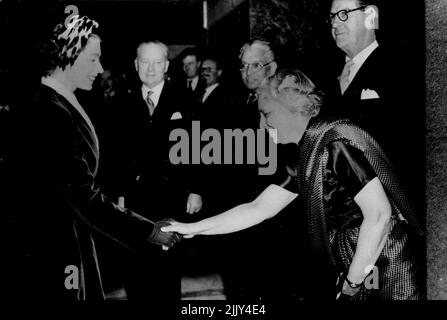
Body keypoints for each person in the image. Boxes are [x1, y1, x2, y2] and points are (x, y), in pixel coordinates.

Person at [162, 69, 424, 300]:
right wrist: (193, 228)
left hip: (388, 259)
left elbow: (379, 215)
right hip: (355, 257)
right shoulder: (304, 151)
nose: (262, 125)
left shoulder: (335, 142)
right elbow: (258, 208)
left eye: (267, 114)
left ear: (291, 108)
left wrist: (353, 282)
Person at [7, 15, 182, 300]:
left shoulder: (59, 101)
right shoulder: (52, 110)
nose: (100, 68)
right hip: (56, 245)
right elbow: (80, 193)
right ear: (69, 56)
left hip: (67, 237)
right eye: (92, 59)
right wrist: (148, 230)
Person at [119, 40, 203, 300]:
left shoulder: (185, 98)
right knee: (136, 267)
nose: (151, 69)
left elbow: (199, 145)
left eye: (157, 62)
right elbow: (118, 153)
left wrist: (196, 190)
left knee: (168, 267)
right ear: (136, 65)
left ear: (166, 65)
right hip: (135, 199)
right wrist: (119, 194)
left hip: (172, 196)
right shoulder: (122, 101)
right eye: (145, 62)